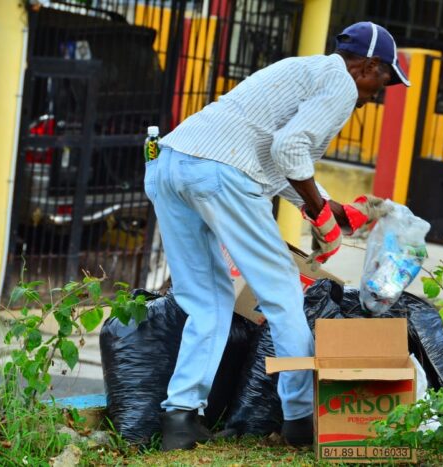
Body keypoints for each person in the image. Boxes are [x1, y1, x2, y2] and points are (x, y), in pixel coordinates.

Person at [144, 21, 410, 451]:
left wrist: (333, 209)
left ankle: (180, 418)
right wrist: (319, 211)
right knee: (284, 296)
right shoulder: (341, 83)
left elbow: (277, 158)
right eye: (383, 80)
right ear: (367, 66)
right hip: (221, 174)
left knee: (207, 300)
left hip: (169, 164)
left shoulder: (302, 69)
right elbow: (288, 150)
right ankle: (300, 421)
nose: (377, 94)